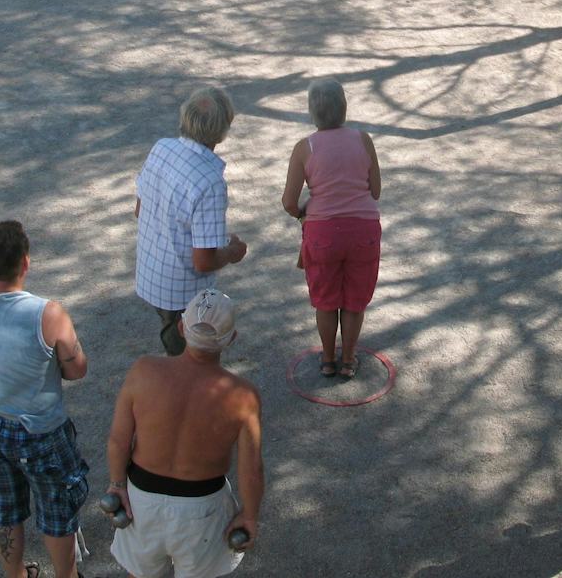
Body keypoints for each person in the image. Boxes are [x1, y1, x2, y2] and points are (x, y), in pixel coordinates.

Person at [0, 221, 90, 578]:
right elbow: (77, 370)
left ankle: (16, 574)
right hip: (42, 431)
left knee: (3, 505)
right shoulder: (48, 314)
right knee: (56, 508)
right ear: (25, 263)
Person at [105, 289, 264, 578]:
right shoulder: (243, 396)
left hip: (142, 500)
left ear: (181, 327)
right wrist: (250, 515)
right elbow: (251, 471)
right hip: (202, 508)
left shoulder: (143, 370)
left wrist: (117, 485)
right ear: (231, 339)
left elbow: (118, 440)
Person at [135, 85, 248, 356]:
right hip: (183, 294)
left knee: (175, 345)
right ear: (221, 132)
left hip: (152, 277)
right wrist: (232, 252)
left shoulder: (161, 148)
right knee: (188, 361)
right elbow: (203, 261)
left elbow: (140, 209)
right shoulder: (210, 182)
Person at [281, 78, 382, 380]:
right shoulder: (363, 139)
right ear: (344, 108)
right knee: (354, 301)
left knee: (326, 301)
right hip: (363, 231)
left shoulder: (304, 148)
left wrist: (303, 214)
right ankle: (349, 360)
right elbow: (375, 191)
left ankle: (327, 359)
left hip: (322, 234)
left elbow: (288, 202)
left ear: (312, 112)